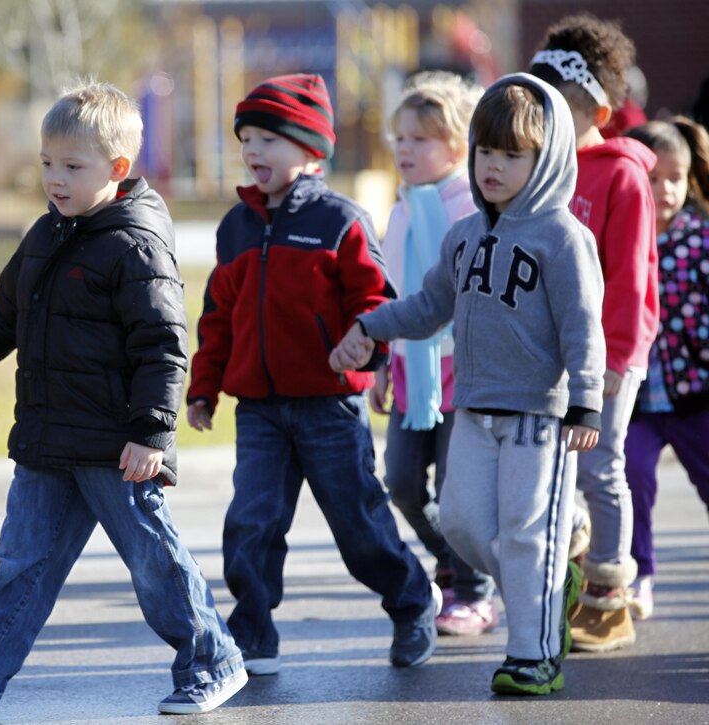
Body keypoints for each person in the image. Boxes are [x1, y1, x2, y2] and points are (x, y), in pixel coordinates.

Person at [0, 81, 246, 718]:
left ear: (118, 169)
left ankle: (212, 662)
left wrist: (153, 432)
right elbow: (8, 311)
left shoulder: (133, 245)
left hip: (120, 446)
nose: (55, 179)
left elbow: (164, 347)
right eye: (47, 164)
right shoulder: (46, 233)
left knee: (153, 565)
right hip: (47, 438)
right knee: (21, 563)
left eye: (72, 167)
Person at [330, 73, 606, 695]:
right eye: (486, 152)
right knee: (458, 522)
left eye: (513, 155)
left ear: (549, 158)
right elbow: (426, 307)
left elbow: (583, 324)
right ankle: (549, 583)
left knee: (525, 533)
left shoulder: (564, 238)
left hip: (541, 416)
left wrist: (586, 401)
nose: (493, 167)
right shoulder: (463, 236)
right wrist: (370, 326)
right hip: (474, 410)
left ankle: (532, 657)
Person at [186, 72, 441, 678]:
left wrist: (368, 349)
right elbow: (217, 316)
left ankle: (412, 605)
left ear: (310, 149)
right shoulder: (236, 227)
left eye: (268, 140)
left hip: (329, 406)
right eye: (246, 139)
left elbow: (377, 299)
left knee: (359, 525)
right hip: (261, 411)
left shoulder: (340, 220)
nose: (253, 152)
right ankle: (252, 632)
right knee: (252, 522)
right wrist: (203, 387)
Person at [529, 13, 659, 653]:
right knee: (559, 463)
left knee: (601, 463)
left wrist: (613, 362)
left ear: (596, 108)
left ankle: (610, 590)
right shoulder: (540, 169)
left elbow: (631, 282)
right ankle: (574, 561)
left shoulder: (622, 174)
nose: (546, 118)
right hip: (554, 345)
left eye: (560, 106)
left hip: (612, 350)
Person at [376, 71, 498, 637]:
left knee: (458, 492)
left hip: (463, 370)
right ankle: (450, 561)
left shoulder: (470, 210)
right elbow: (394, 294)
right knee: (400, 481)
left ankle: (475, 593)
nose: (405, 148)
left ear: (457, 146)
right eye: (399, 137)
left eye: (420, 139)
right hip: (409, 369)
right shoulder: (402, 206)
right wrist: (382, 361)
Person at [622, 117, 709, 620]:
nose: (665, 190)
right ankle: (640, 574)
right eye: (653, 179)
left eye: (675, 178)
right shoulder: (619, 241)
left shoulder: (699, 241)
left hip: (695, 393)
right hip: (635, 399)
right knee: (632, 477)